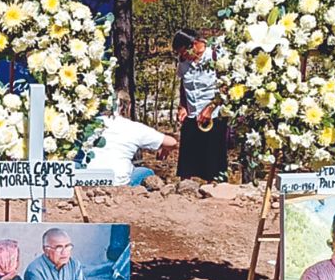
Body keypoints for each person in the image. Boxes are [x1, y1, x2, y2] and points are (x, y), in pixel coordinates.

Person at [173, 28, 229, 181]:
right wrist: (182, 106)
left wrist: (210, 108)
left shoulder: (216, 56)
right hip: (192, 115)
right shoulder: (184, 63)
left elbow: (226, 87)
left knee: (213, 163)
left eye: (185, 52)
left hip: (214, 116)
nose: (183, 57)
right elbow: (184, 86)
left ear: (195, 44)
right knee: (187, 163)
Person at [88, 99, 177, 186]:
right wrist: (165, 149)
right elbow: (172, 142)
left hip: (86, 179)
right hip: (118, 182)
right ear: (129, 107)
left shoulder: (87, 125)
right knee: (147, 172)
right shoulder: (133, 127)